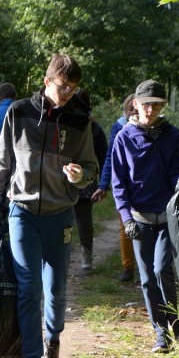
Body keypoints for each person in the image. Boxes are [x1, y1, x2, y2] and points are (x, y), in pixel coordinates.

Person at [0, 54, 98, 358]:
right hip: (22, 212)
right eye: (64, 88)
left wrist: (80, 177)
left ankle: (53, 339)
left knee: (56, 288)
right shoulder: (18, 112)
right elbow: (1, 162)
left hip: (60, 214)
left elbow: (91, 166)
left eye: (74, 89)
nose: (68, 94)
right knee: (29, 288)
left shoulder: (80, 119)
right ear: (48, 81)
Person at [111, 79, 179, 353]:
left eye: (157, 105)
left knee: (161, 269)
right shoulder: (124, 137)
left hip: (167, 216)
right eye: (147, 104)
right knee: (146, 278)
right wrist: (126, 218)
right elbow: (118, 183)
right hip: (139, 219)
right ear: (136, 104)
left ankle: (175, 323)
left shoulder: (173, 135)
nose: (151, 109)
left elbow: (175, 174)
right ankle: (161, 334)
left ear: (162, 106)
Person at [91, 94, 137, 281]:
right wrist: (103, 185)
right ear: (125, 111)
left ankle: (147, 267)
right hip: (124, 183)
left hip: (145, 184)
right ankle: (128, 268)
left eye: (136, 109)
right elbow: (110, 156)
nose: (133, 113)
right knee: (125, 226)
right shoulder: (119, 127)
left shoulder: (152, 128)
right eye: (130, 109)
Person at [72, 89, 108, 270]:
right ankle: (86, 259)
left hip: (78, 179)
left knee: (74, 219)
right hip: (87, 180)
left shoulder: (91, 128)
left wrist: (104, 184)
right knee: (83, 219)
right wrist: (103, 183)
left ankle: (84, 258)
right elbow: (104, 157)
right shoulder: (95, 127)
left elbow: (103, 156)